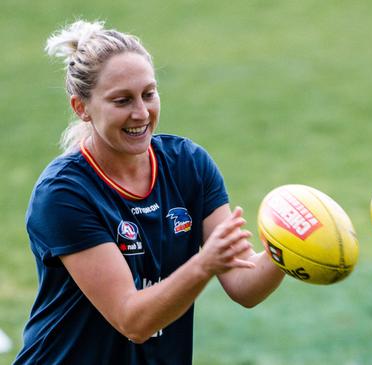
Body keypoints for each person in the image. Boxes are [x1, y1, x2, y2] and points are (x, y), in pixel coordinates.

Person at [13, 20, 285, 364]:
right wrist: (204, 264)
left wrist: (286, 249)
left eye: (149, 94)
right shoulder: (63, 194)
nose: (141, 113)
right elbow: (132, 320)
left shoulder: (189, 166)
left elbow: (244, 286)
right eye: (122, 100)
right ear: (81, 107)